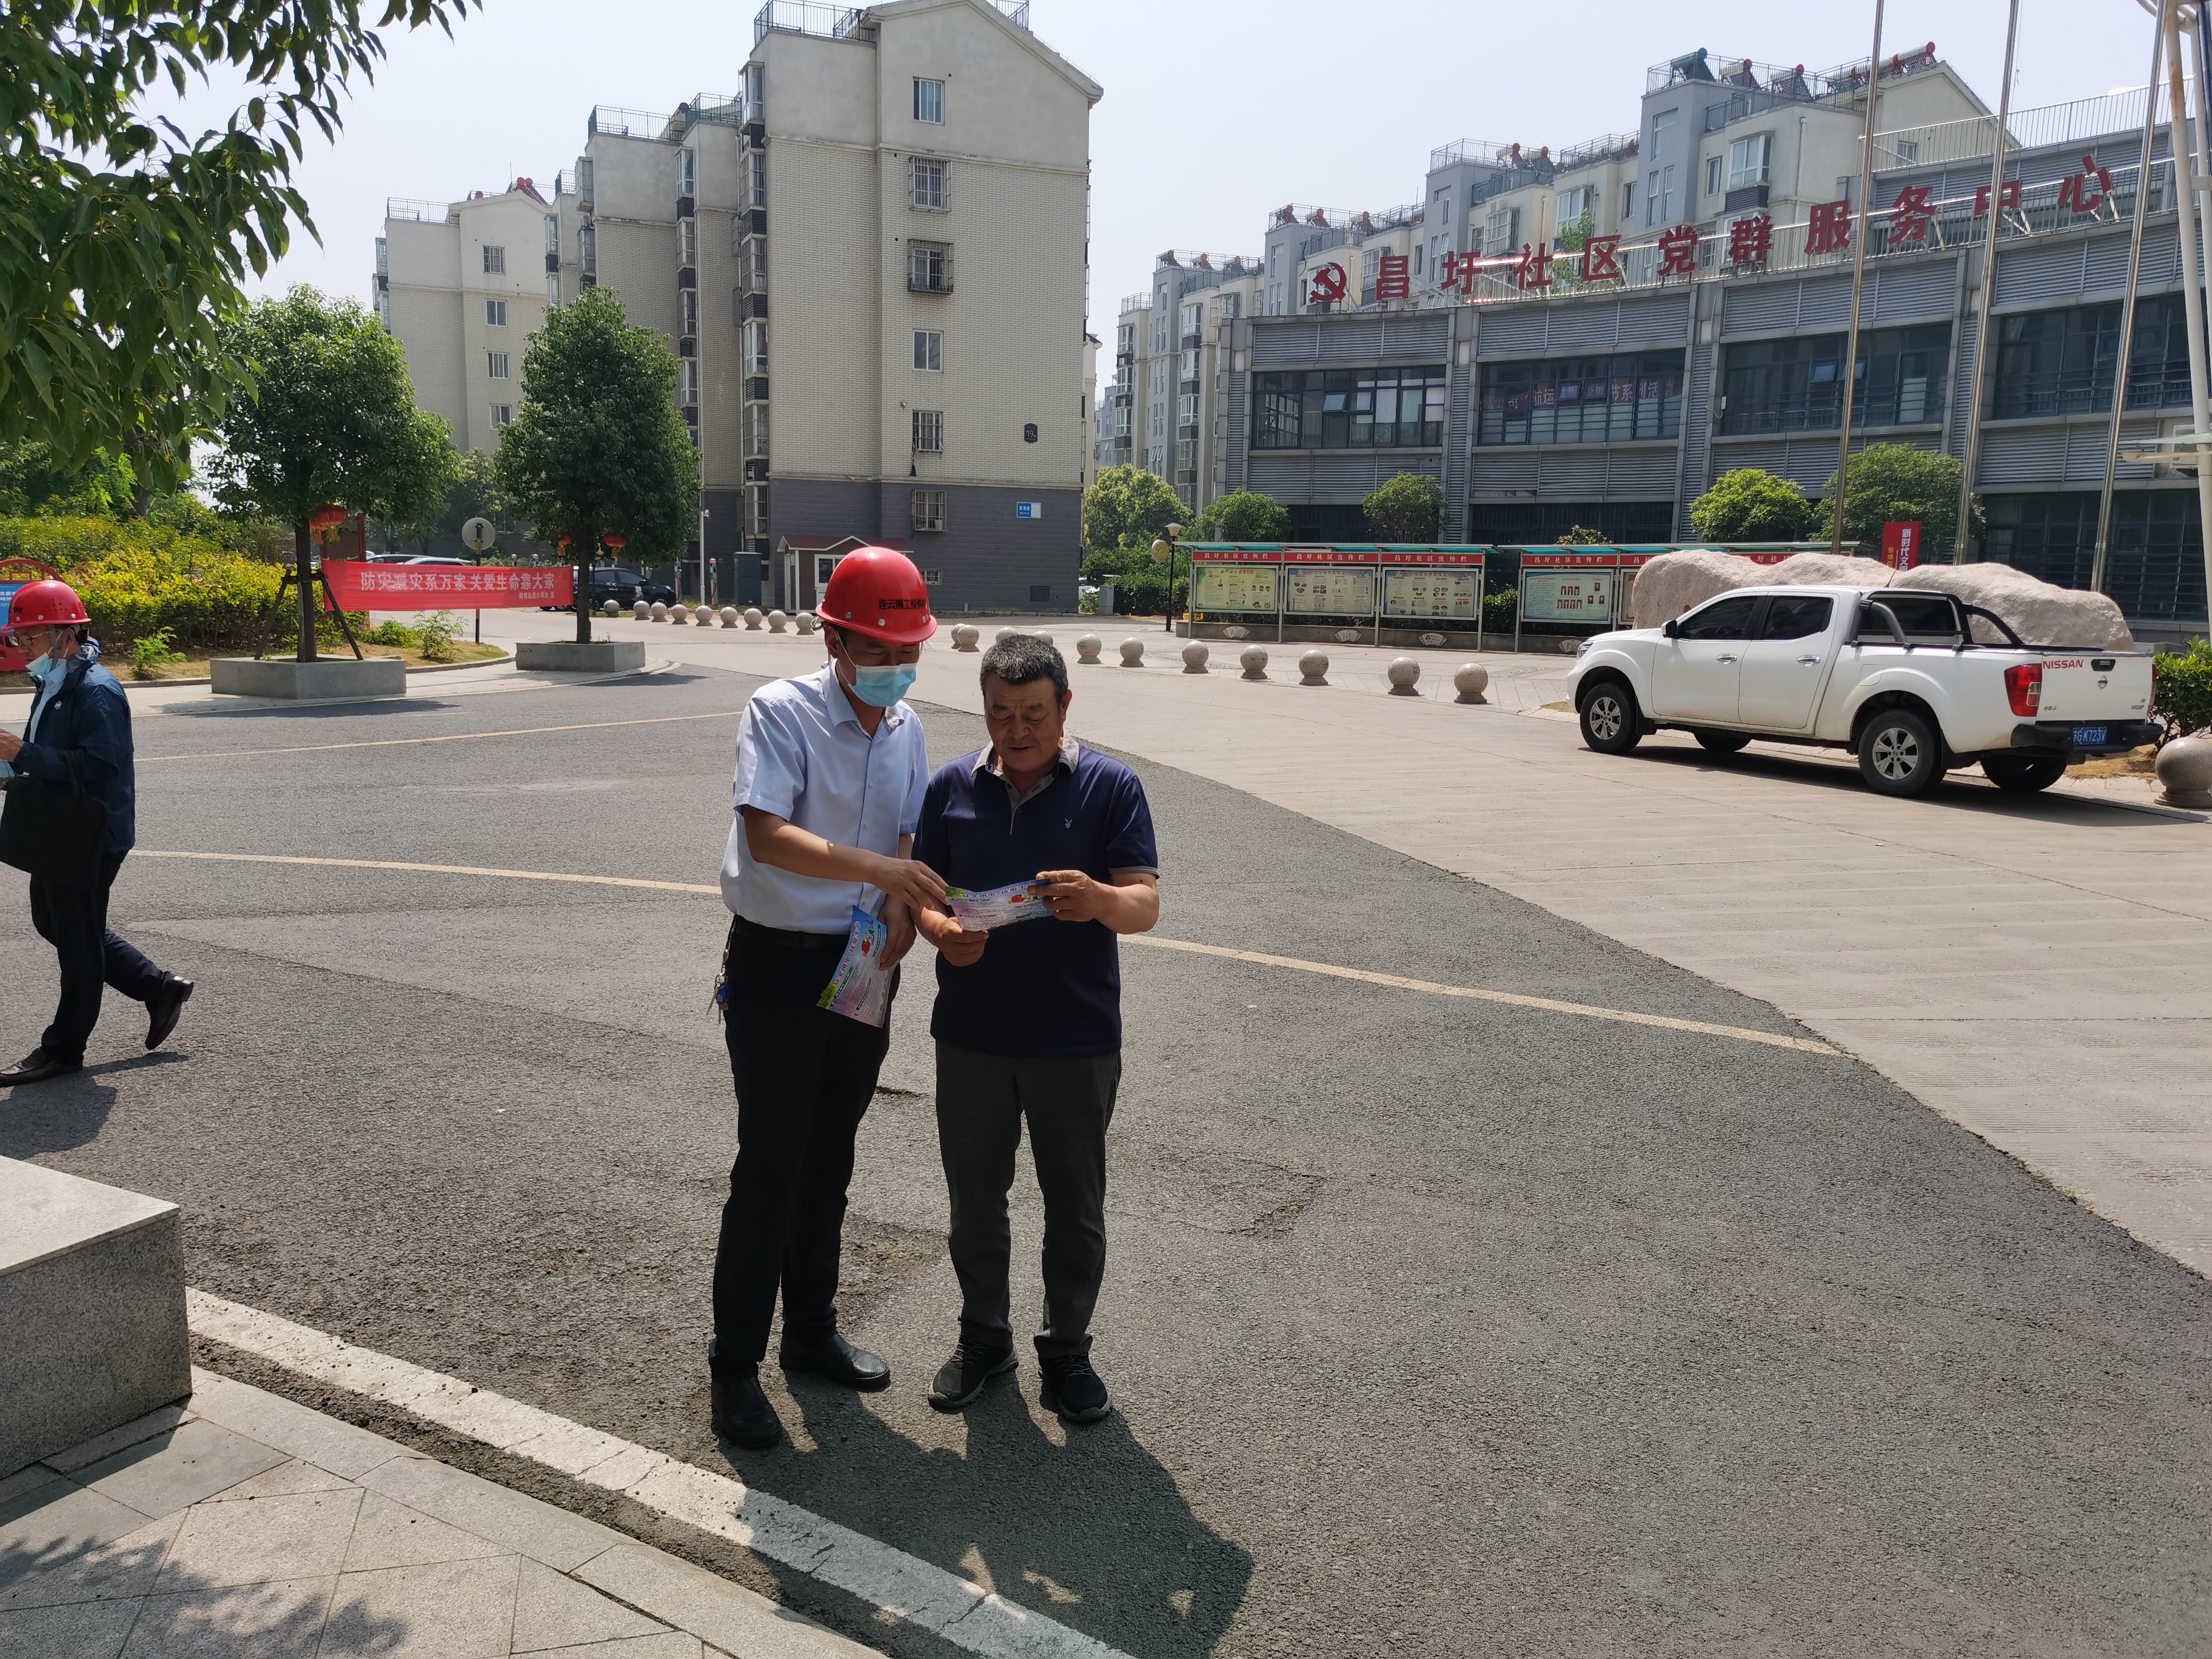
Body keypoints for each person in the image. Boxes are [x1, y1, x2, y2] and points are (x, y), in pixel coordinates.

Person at [708, 547, 944, 1450]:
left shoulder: (908, 729)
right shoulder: (781, 712)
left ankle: (809, 1331)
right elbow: (767, 836)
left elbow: (910, 830)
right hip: (779, 963)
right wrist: (881, 872)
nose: (894, 667)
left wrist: (900, 902)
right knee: (771, 1163)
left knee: (831, 1158)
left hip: (865, 963)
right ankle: (735, 1365)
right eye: (877, 650)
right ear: (834, 639)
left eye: (906, 652)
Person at [913, 635, 1159, 1425]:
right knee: (975, 1201)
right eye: (1000, 713)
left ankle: (1068, 1350)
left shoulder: (1112, 786)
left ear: (1064, 707)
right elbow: (924, 897)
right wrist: (941, 932)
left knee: (1074, 1206)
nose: (1017, 730)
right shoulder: (951, 787)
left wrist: (1100, 900)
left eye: (1034, 714)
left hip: (1074, 1039)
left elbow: (1145, 903)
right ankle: (984, 1337)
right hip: (972, 1035)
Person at [0, 580, 192, 1085]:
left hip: (89, 833)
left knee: (77, 942)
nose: (23, 647)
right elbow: (58, 756)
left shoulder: (96, 691)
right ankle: (158, 987)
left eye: (31, 637)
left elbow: (100, 766)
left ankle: (63, 1050)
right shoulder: (57, 682)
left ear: (65, 634)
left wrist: (23, 753)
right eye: (18, 638)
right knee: (54, 923)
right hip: (60, 827)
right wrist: (15, 769)